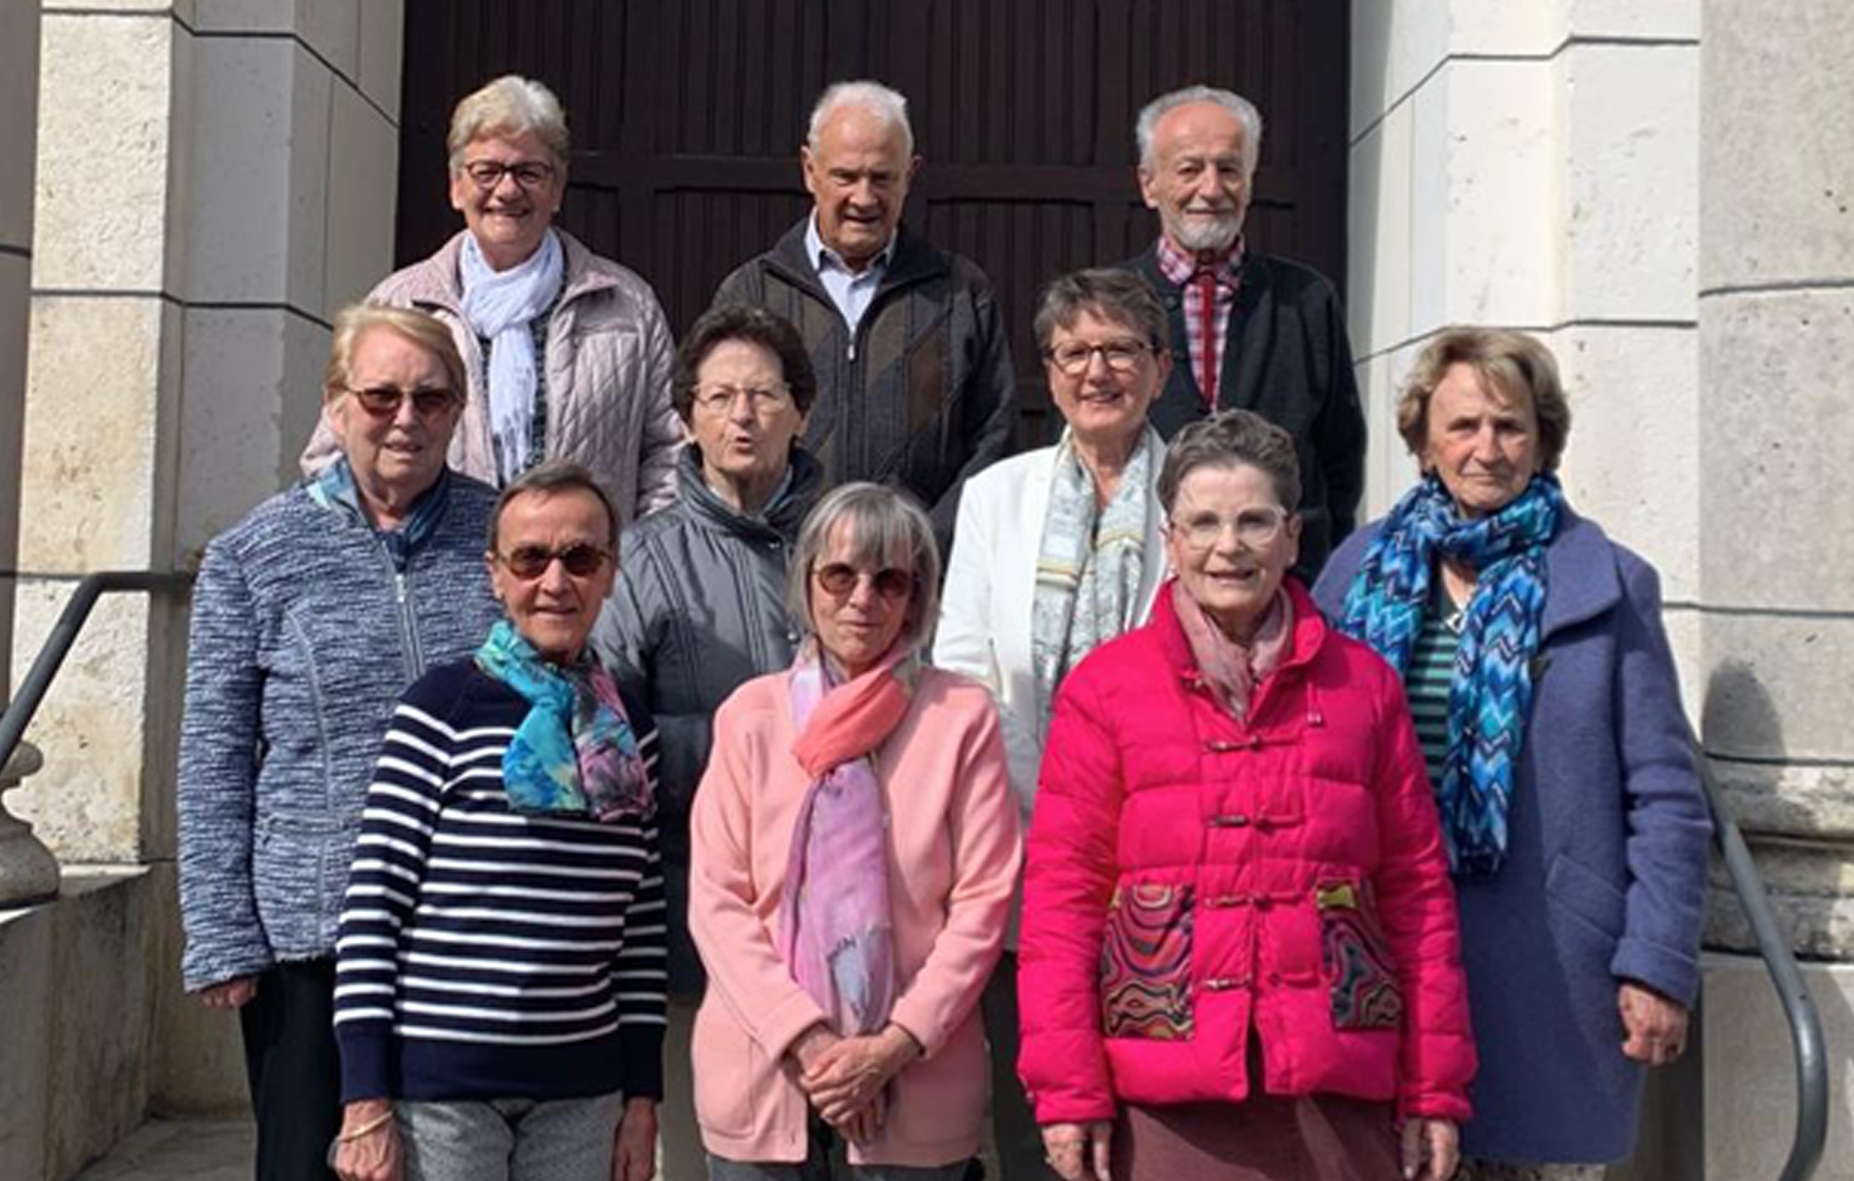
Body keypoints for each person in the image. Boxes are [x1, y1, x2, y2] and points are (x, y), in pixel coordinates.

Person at [1018, 410, 1474, 1181]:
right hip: (1167, 1094)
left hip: (1336, 1082)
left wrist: (1435, 1085)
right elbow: (1065, 902)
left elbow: (1416, 896)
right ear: (1171, 540)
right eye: (1203, 522)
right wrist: (1068, 1092)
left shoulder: (1365, 687)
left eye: (1253, 521)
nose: (1228, 546)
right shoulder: (1105, 690)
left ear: (1293, 536)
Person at [1313, 328, 1711, 1179]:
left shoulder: (1608, 582)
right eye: (1462, 427)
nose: (1485, 449)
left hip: (1551, 970)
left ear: (1543, 438)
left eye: (1509, 426)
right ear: (1422, 438)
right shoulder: (1355, 572)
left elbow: (1667, 795)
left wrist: (1657, 962)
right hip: (1381, 953)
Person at [177, 305, 503, 1181]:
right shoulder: (254, 555)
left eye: (432, 400)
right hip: (310, 933)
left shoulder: (505, 540)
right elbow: (213, 753)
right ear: (335, 402)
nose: (407, 417)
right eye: (381, 394)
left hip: (466, 924)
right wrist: (220, 932)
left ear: (459, 409)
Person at [330, 462, 665, 1181]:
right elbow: (372, 910)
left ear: (610, 572)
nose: (555, 581)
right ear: (495, 574)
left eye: (580, 557)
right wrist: (364, 1097)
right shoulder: (439, 707)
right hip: (443, 1089)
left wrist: (642, 1095)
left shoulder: (630, 729)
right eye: (529, 558)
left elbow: (639, 927)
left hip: (582, 1086)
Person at [688, 483, 1021, 1178]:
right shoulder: (750, 715)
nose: (862, 598)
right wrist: (811, 1045)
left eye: (889, 579)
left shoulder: (961, 716)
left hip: (918, 1082)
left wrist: (890, 1046)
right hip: (764, 1076)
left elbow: (983, 905)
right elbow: (718, 903)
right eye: (840, 574)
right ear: (807, 581)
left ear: (916, 595)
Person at [933, 269, 1172, 1180]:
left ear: (1159, 366)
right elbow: (964, 671)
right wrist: (1051, 806)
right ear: (1049, 370)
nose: (1096, 369)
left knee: (1153, 1122)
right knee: (1042, 1127)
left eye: (1119, 349)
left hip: (1164, 859)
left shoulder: (1196, 491)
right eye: (1075, 351)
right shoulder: (999, 495)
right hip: (1025, 854)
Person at [591, 305, 824, 1181]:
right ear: (686, 414)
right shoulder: (642, 558)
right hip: (695, 914)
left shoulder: (847, 542)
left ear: (801, 409)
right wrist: (748, 755)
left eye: (765, 394)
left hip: (843, 926)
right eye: (719, 395)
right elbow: (606, 744)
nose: (743, 415)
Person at [302, 74, 681, 527]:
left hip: (585, 584)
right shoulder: (398, 306)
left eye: (529, 172)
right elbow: (331, 457)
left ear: (557, 188)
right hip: (436, 583)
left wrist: (633, 564)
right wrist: (393, 559)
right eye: (487, 172)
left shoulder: (628, 306)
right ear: (456, 185)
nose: (507, 191)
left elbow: (671, 452)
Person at [709, 80, 1015, 552]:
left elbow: (993, 436)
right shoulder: (751, 293)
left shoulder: (960, 294)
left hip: (915, 581)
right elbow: (714, 431)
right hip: (778, 571)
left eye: (882, 177)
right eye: (846, 176)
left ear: (910, 175)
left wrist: (925, 544)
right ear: (810, 171)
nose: (864, 198)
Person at [1118, 85, 1364, 576]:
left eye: (1228, 169)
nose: (1211, 189)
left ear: (1249, 182)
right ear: (1149, 184)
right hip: (1145, 585)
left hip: (1287, 585)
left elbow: (1341, 457)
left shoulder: (1306, 301)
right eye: (1189, 169)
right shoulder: (1108, 305)